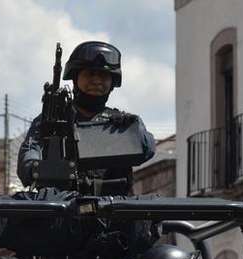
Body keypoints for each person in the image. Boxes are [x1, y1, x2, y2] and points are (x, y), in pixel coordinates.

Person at [17, 40, 156, 196]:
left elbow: (148, 148)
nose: (96, 81)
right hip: (62, 209)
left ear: (112, 82)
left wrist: (132, 132)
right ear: (75, 79)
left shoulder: (121, 123)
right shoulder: (52, 121)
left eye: (103, 75)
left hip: (113, 212)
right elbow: (28, 158)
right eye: (90, 74)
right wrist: (40, 169)